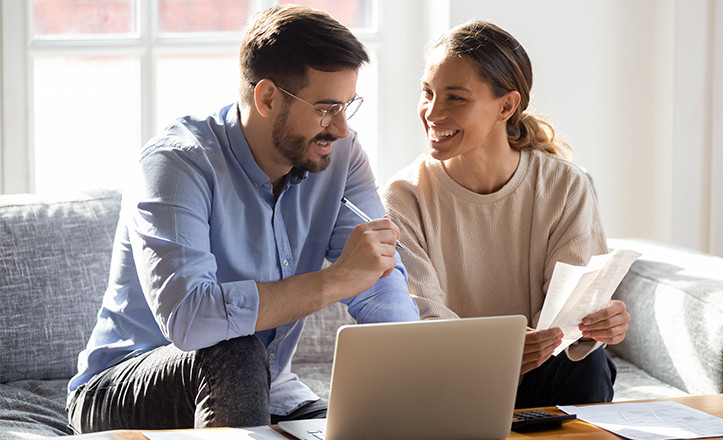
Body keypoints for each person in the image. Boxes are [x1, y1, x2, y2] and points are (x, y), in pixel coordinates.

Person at [66, 5, 418, 433]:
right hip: (122, 386)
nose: (341, 128)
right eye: (327, 108)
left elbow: (378, 277)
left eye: (348, 106)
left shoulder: (340, 155)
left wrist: (415, 369)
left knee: (367, 427)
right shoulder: (176, 165)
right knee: (234, 350)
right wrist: (334, 280)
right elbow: (191, 320)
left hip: (270, 390)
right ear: (267, 97)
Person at [381, 20, 628, 408]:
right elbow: (422, 321)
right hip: (451, 379)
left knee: (589, 364)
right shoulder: (402, 197)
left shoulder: (565, 185)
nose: (432, 112)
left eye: (455, 98)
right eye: (427, 93)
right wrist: (499, 351)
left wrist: (597, 325)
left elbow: (571, 316)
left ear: (507, 105)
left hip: (542, 370)